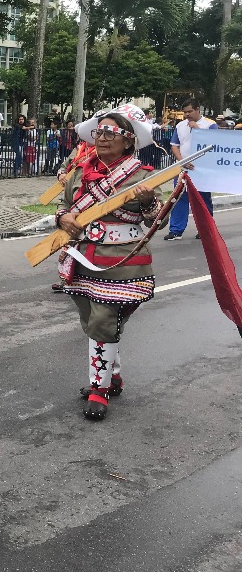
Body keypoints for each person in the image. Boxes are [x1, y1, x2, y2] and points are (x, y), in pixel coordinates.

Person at [55, 104, 164, 421]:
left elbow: (155, 220)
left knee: (103, 321)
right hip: (81, 258)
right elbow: (63, 207)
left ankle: (98, 389)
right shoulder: (79, 173)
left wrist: (147, 201)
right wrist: (63, 218)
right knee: (92, 321)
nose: (102, 137)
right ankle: (112, 376)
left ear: (128, 140)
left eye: (110, 132)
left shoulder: (144, 176)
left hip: (123, 262)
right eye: (99, 131)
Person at [164, 98, 217, 241]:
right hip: (183, 168)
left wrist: (198, 129)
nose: (187, 114)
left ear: (198, 109)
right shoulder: (180, 126)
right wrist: (182, 160)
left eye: (190, 111)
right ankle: (176, 230)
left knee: (202, 200)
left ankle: (206, 230)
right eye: (185, 112)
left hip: (202, 170)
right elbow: (174, 145)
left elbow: (215, 144)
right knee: (179, 198)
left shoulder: (210, 124)